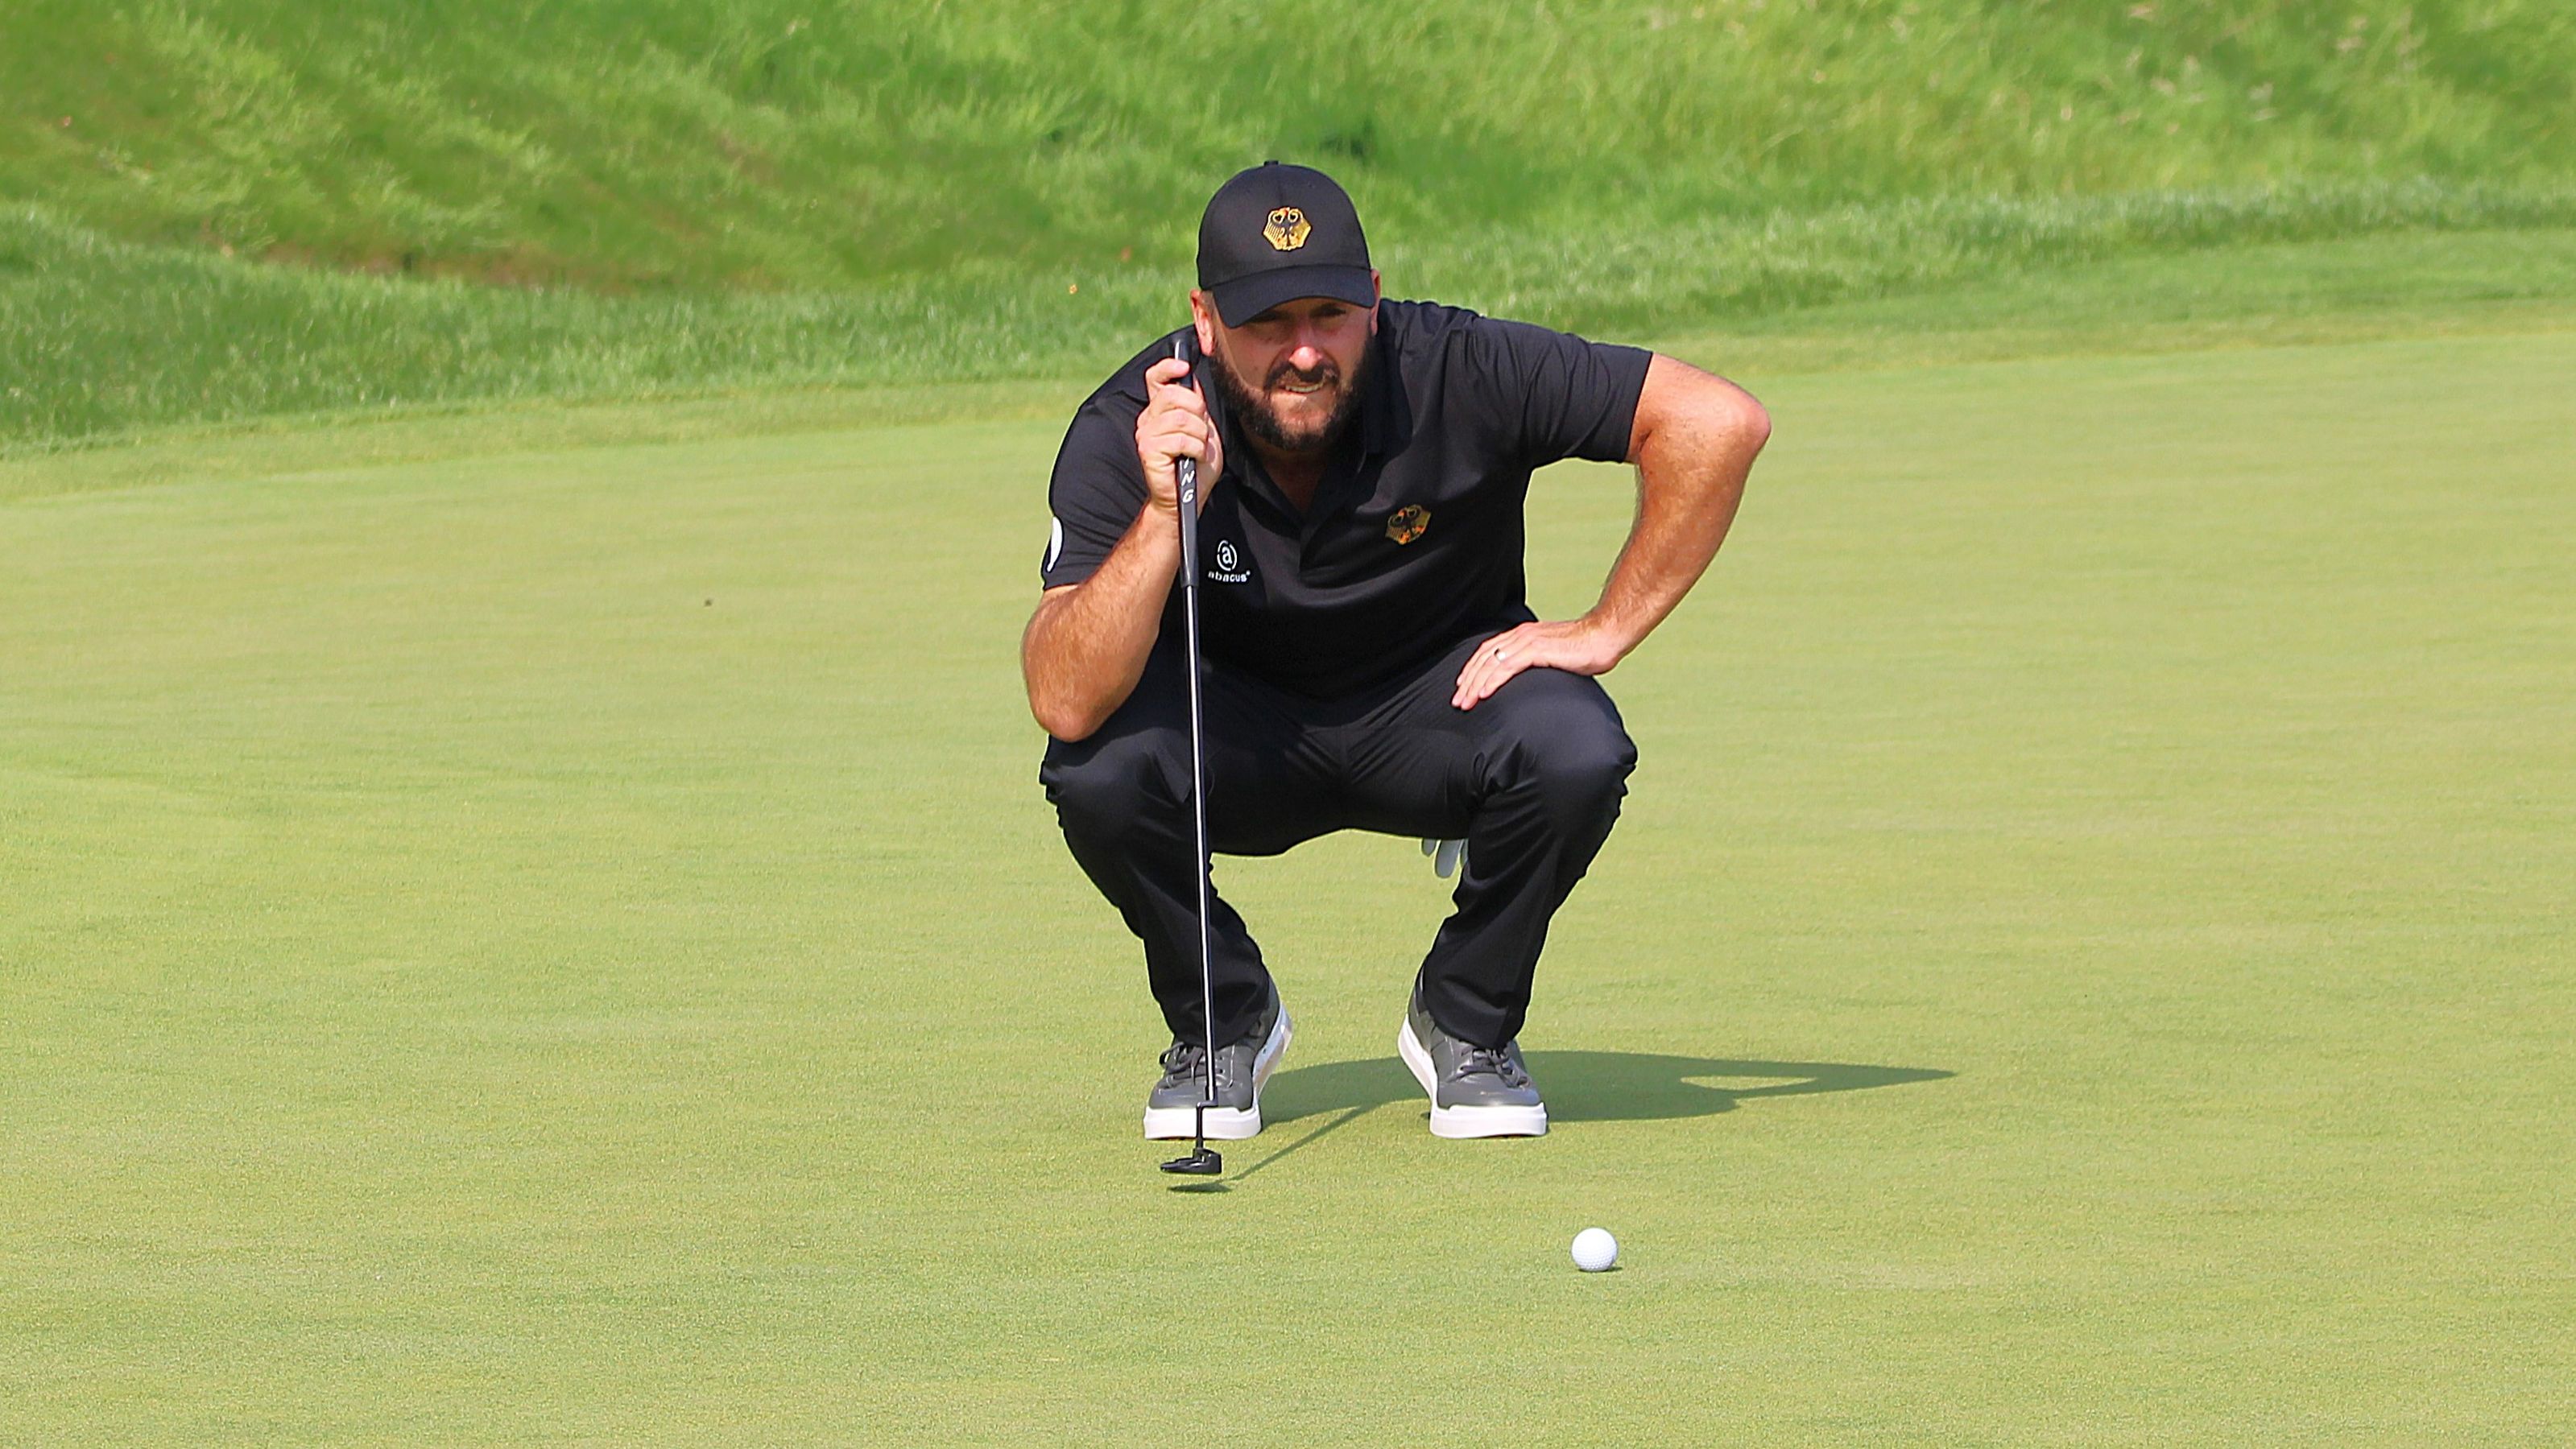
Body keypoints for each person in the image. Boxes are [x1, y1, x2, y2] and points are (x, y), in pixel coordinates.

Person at [1023, 163, 1769, 1141]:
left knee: (1575, 747)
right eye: (1264, 324)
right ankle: (1224, 1018)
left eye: (1329, 314)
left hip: (1441, 708)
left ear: (1374, 301)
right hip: (1236, 732)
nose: (1302, 352)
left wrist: (1606, 628)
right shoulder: (1134, 419)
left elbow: (1718, 422)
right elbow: (1064, 697)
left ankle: (1465, 1020)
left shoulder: (1459, 367)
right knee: (1097, 772)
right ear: (1203, 323)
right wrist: (1167, 509)